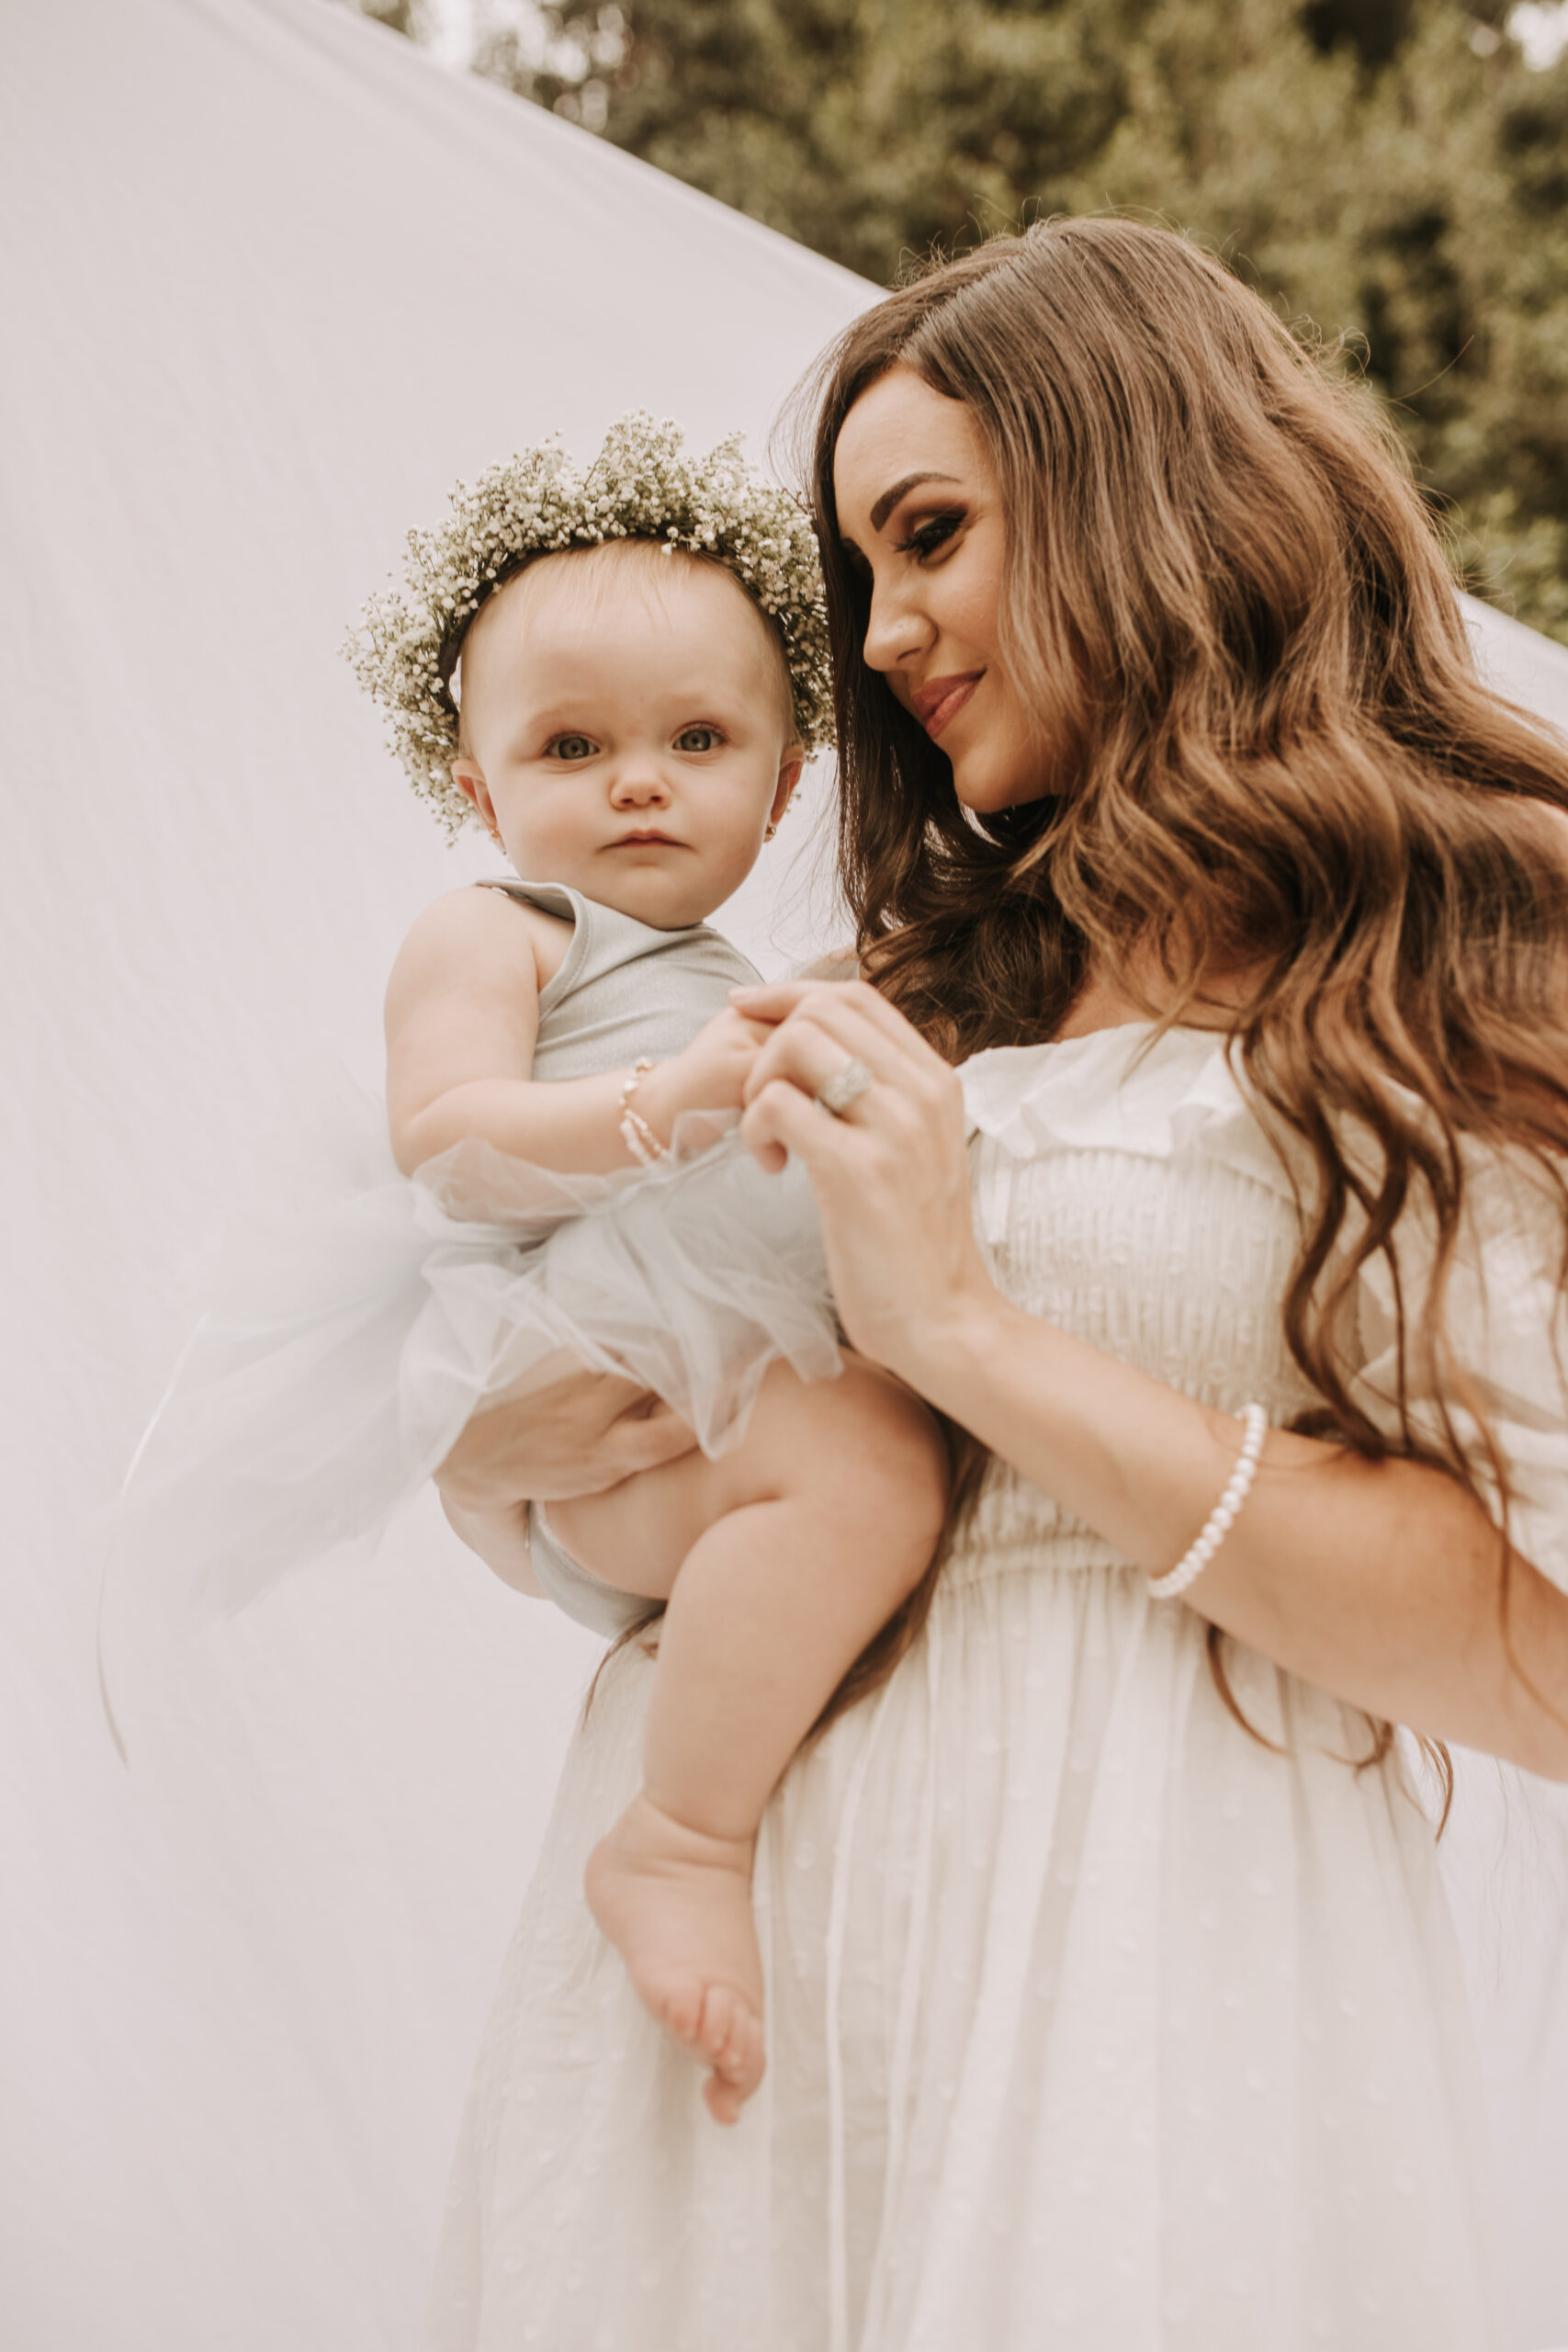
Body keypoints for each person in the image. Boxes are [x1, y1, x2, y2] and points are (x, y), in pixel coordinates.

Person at [422, 219, 1568, 2350]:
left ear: (1141, 484)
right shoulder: (883, 997)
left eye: (928, 534)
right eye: (859, 572)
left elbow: (1540, 1655)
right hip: (725, 2007)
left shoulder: (1449, 971)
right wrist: (514, 1447)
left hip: (1145, 1978)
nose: (877, 636)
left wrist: (964, 1334)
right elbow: (589, 1420)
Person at [111, 417, 949, 2127]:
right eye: (573, 746)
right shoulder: (507, 934)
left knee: (866, 1463)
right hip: (607, 1424)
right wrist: (677, 1098)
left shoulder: (756, 974)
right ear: (481, 791)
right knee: (864, 1469)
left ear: (785, 779)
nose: (639, 781)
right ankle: (677, 1841)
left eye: (697, 739)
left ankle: (740, 1776)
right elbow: (453, 1137)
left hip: (711, 1427)